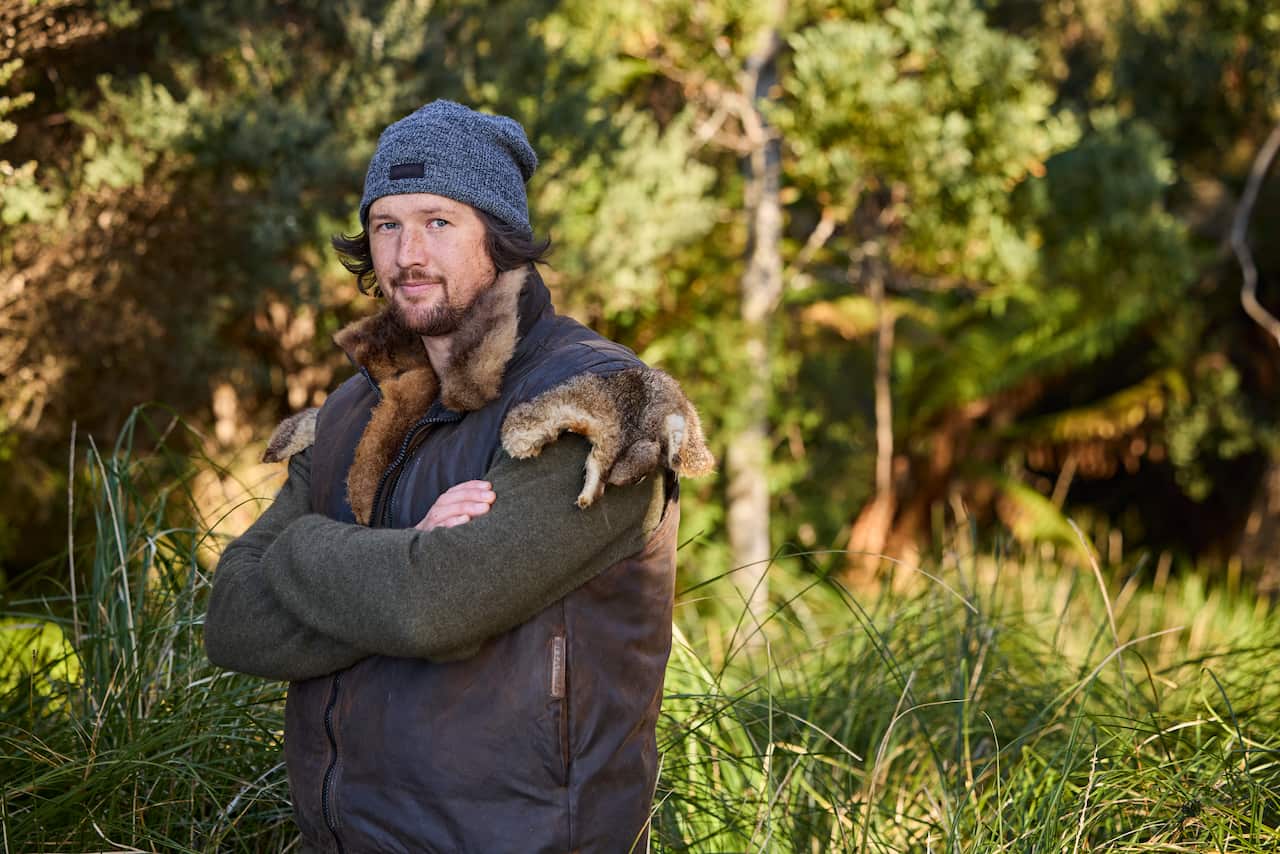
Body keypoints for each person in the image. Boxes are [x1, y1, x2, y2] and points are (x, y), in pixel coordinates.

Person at [203, 99, 712, 853]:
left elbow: (433, 607)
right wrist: (408, 553)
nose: (408, 252)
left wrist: (303, 548)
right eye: (387, 224)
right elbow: (233, 620)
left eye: (439, 221)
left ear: (500, 239)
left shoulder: (596, 408)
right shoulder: (352, 412)